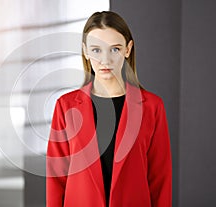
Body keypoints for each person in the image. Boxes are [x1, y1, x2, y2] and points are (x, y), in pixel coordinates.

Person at [46, 11, 172, 207]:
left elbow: (160, 178)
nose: (105, 60)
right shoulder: (65, 106)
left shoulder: (152, 107)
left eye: (115, 49)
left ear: (128, 49)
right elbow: (56, 177)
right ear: (85, 51)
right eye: (96, 50)